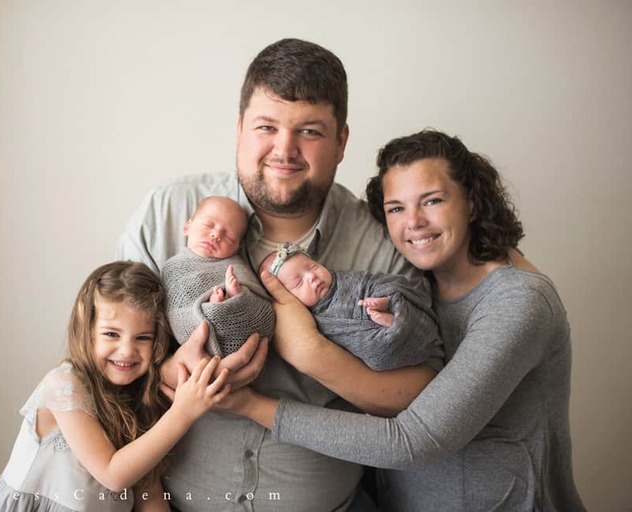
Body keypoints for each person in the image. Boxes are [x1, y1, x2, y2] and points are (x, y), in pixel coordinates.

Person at [116, 38, 436, 512]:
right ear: (239, 128)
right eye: (266, 127)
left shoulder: (382, 241)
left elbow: (418, 395)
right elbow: (102, 353)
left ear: (341, 142)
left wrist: (311, 353)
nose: (284, 150)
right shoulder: (166, 212)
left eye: (309, 131)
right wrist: (165, 367)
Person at [228, 129, 586, 511]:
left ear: (472, 202)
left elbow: (413, 441)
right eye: (396, 208)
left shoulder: (519, 301)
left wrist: (250, 405)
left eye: (432, 201)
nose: (413, 222)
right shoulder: (410, 287)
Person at [0, 261, 231, 512]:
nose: (127, 351)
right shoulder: (63, 386)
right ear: (87, 330)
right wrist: (183, 412)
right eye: (112, 334)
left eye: (143, 337)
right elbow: (113, 475)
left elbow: (149, 493)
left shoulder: (138, 397)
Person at [258, 241, 443, 372]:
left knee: (392, 288)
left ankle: (388, 305)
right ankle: (391, 324)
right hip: (372, 340)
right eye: (298, 282)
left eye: (312, 267)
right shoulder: (315, 319)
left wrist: (382, 294)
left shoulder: (343, 278)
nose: (312, 277)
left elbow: (370, 281)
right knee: (374, 351)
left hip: (384, 301)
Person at [162, 196, 275, 357]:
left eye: (228, 236)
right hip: (195, 344)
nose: (216, 235)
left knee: (238, 289)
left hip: (242, 332)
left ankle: (232, 298)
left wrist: (239, 296)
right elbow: (173, 312)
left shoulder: (234, 266)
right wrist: (210, 308)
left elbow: (263, 311)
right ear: (187, 227)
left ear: (237, 247)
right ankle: (217, 304)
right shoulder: (173, 267)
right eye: (208, 225)